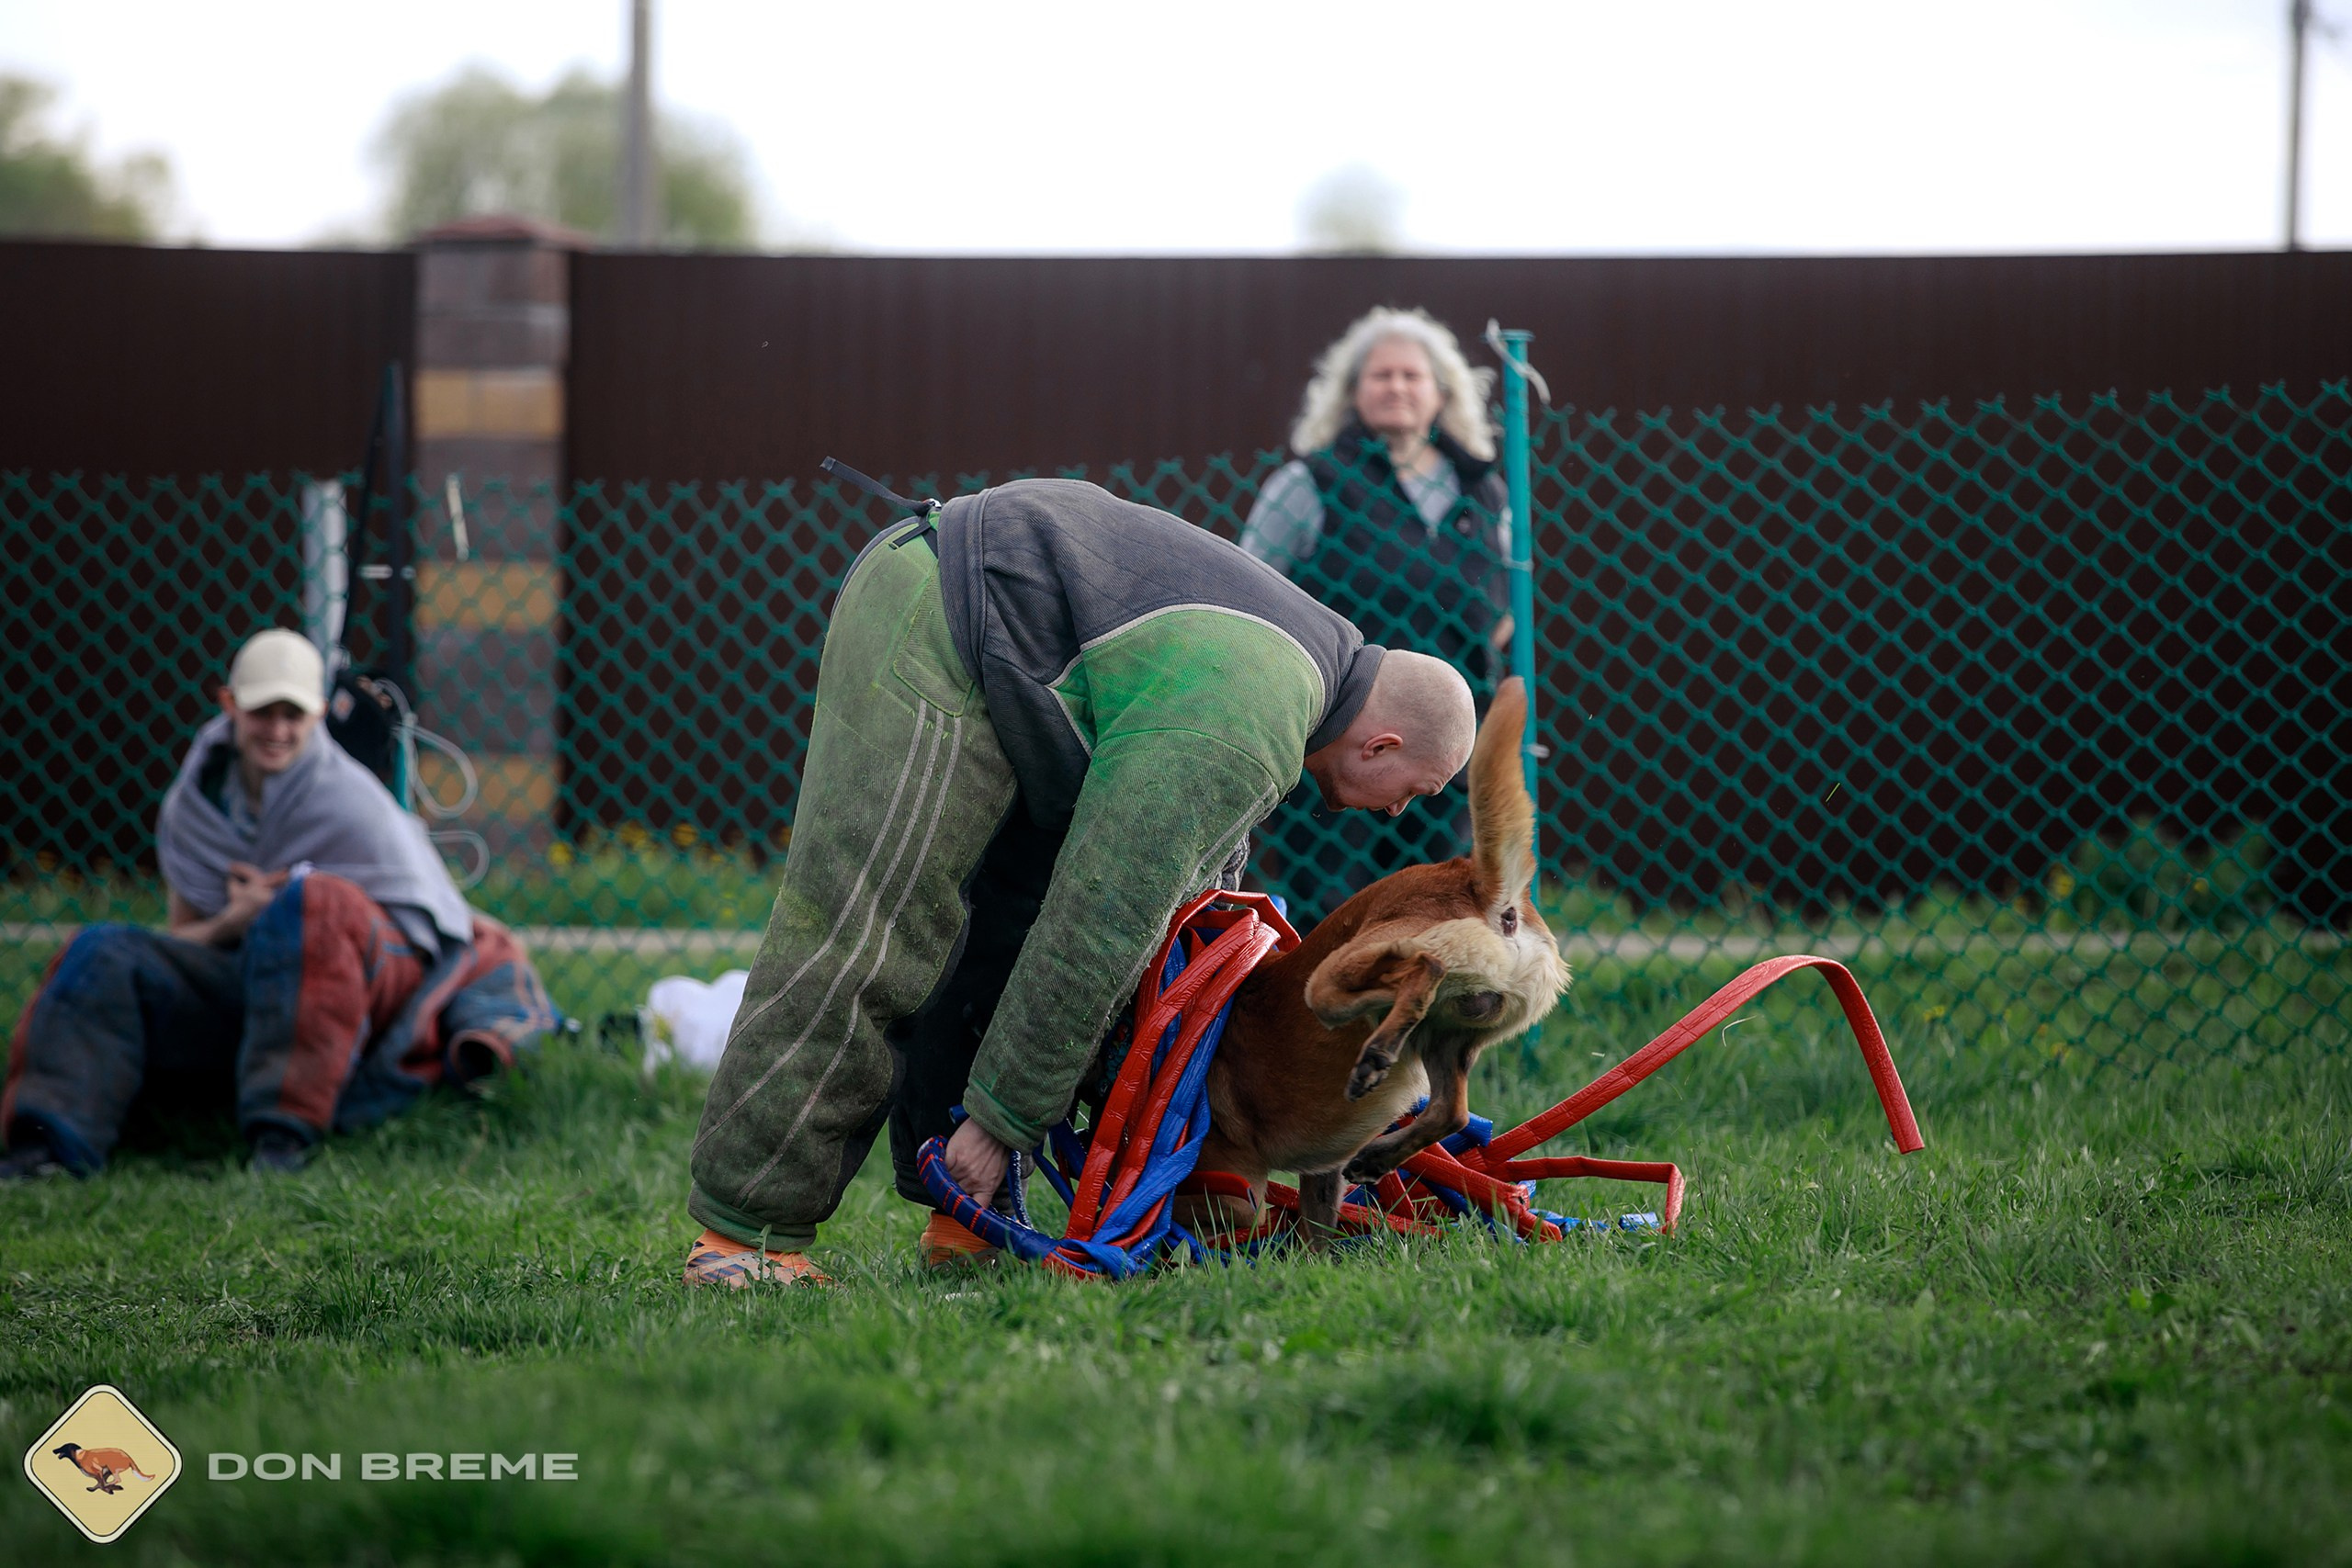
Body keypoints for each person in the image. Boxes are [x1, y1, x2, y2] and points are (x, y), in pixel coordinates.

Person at [681, 477, 1476, 1286]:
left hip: (1029, 677)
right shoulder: (1252, 716)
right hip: (942, 605)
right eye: (1415, 791)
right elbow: (1103, 921)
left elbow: (1184, 913)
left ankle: (964, 1222)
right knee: (875, 925)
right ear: (1378, 744)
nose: (1396, 816)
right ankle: (743, 1233)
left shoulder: (1308, 667)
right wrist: (1002, 1123)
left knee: (1007, 933)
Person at [1, 629, 556, 1179]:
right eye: (263, 712)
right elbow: (180, 941)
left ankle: (282, 1138)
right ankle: (46, 1147)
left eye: (294, 715)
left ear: (317, 717)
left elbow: (429, 938)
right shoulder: (195, 804)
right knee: (102, 950)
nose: (278, 730)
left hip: (366, 986)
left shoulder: (350, 803)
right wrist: (234, 922)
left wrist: (293, 904)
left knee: (315, 904)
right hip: (249, 978)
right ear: (229, 704)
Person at [1238, 305, 1513, 908]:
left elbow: (1502, 607)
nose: (1396, 387)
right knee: (1334, 904)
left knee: (1436, 903)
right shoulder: (1311, 483)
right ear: (1351, 393)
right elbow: (1253, 588)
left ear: (1441, 393)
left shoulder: (1484, 491)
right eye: (1380, 376)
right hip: (1341, 738)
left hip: (1446, 750)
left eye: (1411, 376)